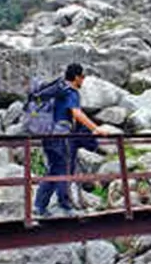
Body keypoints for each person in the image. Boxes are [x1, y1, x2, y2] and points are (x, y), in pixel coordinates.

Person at [34, 63, 106, 218]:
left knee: (54, 169)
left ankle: (39, 206)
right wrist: (95, 129)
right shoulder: (71, 92)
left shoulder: (58, 90)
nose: (84, 80)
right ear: (76, 77)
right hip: (61, 135)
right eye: (83, 77)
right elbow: (77, 113)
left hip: (47, 134)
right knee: (65, 169)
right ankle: (64, 205)